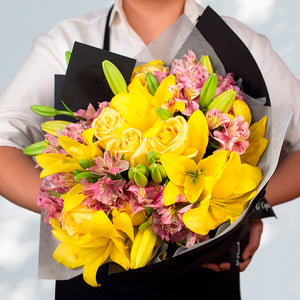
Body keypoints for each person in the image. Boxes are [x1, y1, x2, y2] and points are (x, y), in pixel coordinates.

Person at [0, 0, 299, 298]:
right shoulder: (70, 39)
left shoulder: (235, 42)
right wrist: (74, 211)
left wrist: (245, 209)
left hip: (202, 280)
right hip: (96, 282)